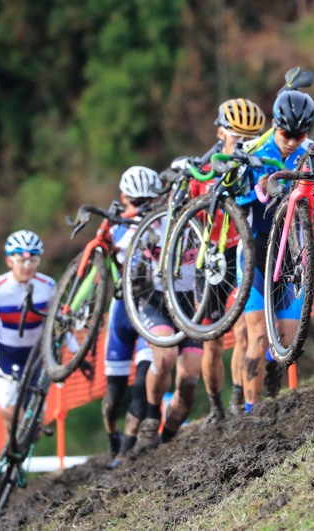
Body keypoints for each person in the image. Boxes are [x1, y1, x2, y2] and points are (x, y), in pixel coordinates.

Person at [138, 98, 266, 444]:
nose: (243, 144)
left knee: (243, 332)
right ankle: (216, 407)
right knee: (212, 345)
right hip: (207, 260)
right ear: (222, 133)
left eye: (250, 138)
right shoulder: (206, 168)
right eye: (238, 137)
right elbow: (182, 216)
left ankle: (239, 399)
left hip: (240, 251)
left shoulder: (255, 164)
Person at [240, 89, 314, 410]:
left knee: (284, 340)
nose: (291, 141)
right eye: (286, 134)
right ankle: (248, 412)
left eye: (299, 135)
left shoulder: (307, 152)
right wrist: (258, 188)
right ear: (275, 125)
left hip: (291, 253)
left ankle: (270, 376)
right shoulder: (256, 149)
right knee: (257, 337)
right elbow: (236, 197)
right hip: (256, 249)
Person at [0, 230, 69, 429]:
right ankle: (12, 448)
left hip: (34, 359)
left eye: (34, 260)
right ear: (9, 261)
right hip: (5, 358)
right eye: (21, 260)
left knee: (36, 427)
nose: (28, 266)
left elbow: (60, 318)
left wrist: (74, 350)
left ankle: (15, 454)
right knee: (14, 418)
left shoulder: (47, 285)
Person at [103, 166, 158, 458]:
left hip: (149, 310)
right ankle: (112, 436)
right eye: (137, 201)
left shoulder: (160, 224)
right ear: (124, 197)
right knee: (114, 398)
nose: (142, 206)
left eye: (148, 200)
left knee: (140, 387)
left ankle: (125, 454)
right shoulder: (113, 227)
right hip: (121, 312)